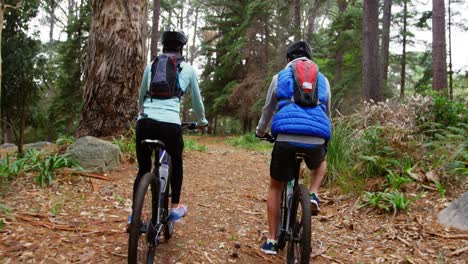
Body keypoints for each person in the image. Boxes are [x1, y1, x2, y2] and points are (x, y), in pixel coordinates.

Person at [255, 41, 332, 255]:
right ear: (310, 59)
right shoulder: (323, 80)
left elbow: (268, 109)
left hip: (286, 138)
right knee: (321, 160)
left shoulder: (279, 77)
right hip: (317, 137)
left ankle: (271, 240)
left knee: (275, 186)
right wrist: (325, 137)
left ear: (289, 60)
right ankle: (314, 193)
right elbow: (327, 113)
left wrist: (261, 131)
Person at [131, 30, 208, 224]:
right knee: (177, 160)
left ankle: (134, 217)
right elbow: (198, 103)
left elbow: (141, 96)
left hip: (145, 123)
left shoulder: (151, 66)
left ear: (163, 47)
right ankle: (174, 207)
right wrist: (202, 121)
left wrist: (141, 114)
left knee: (143, 169)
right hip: (170, 125)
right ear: (181, 49)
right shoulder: (188, 69)